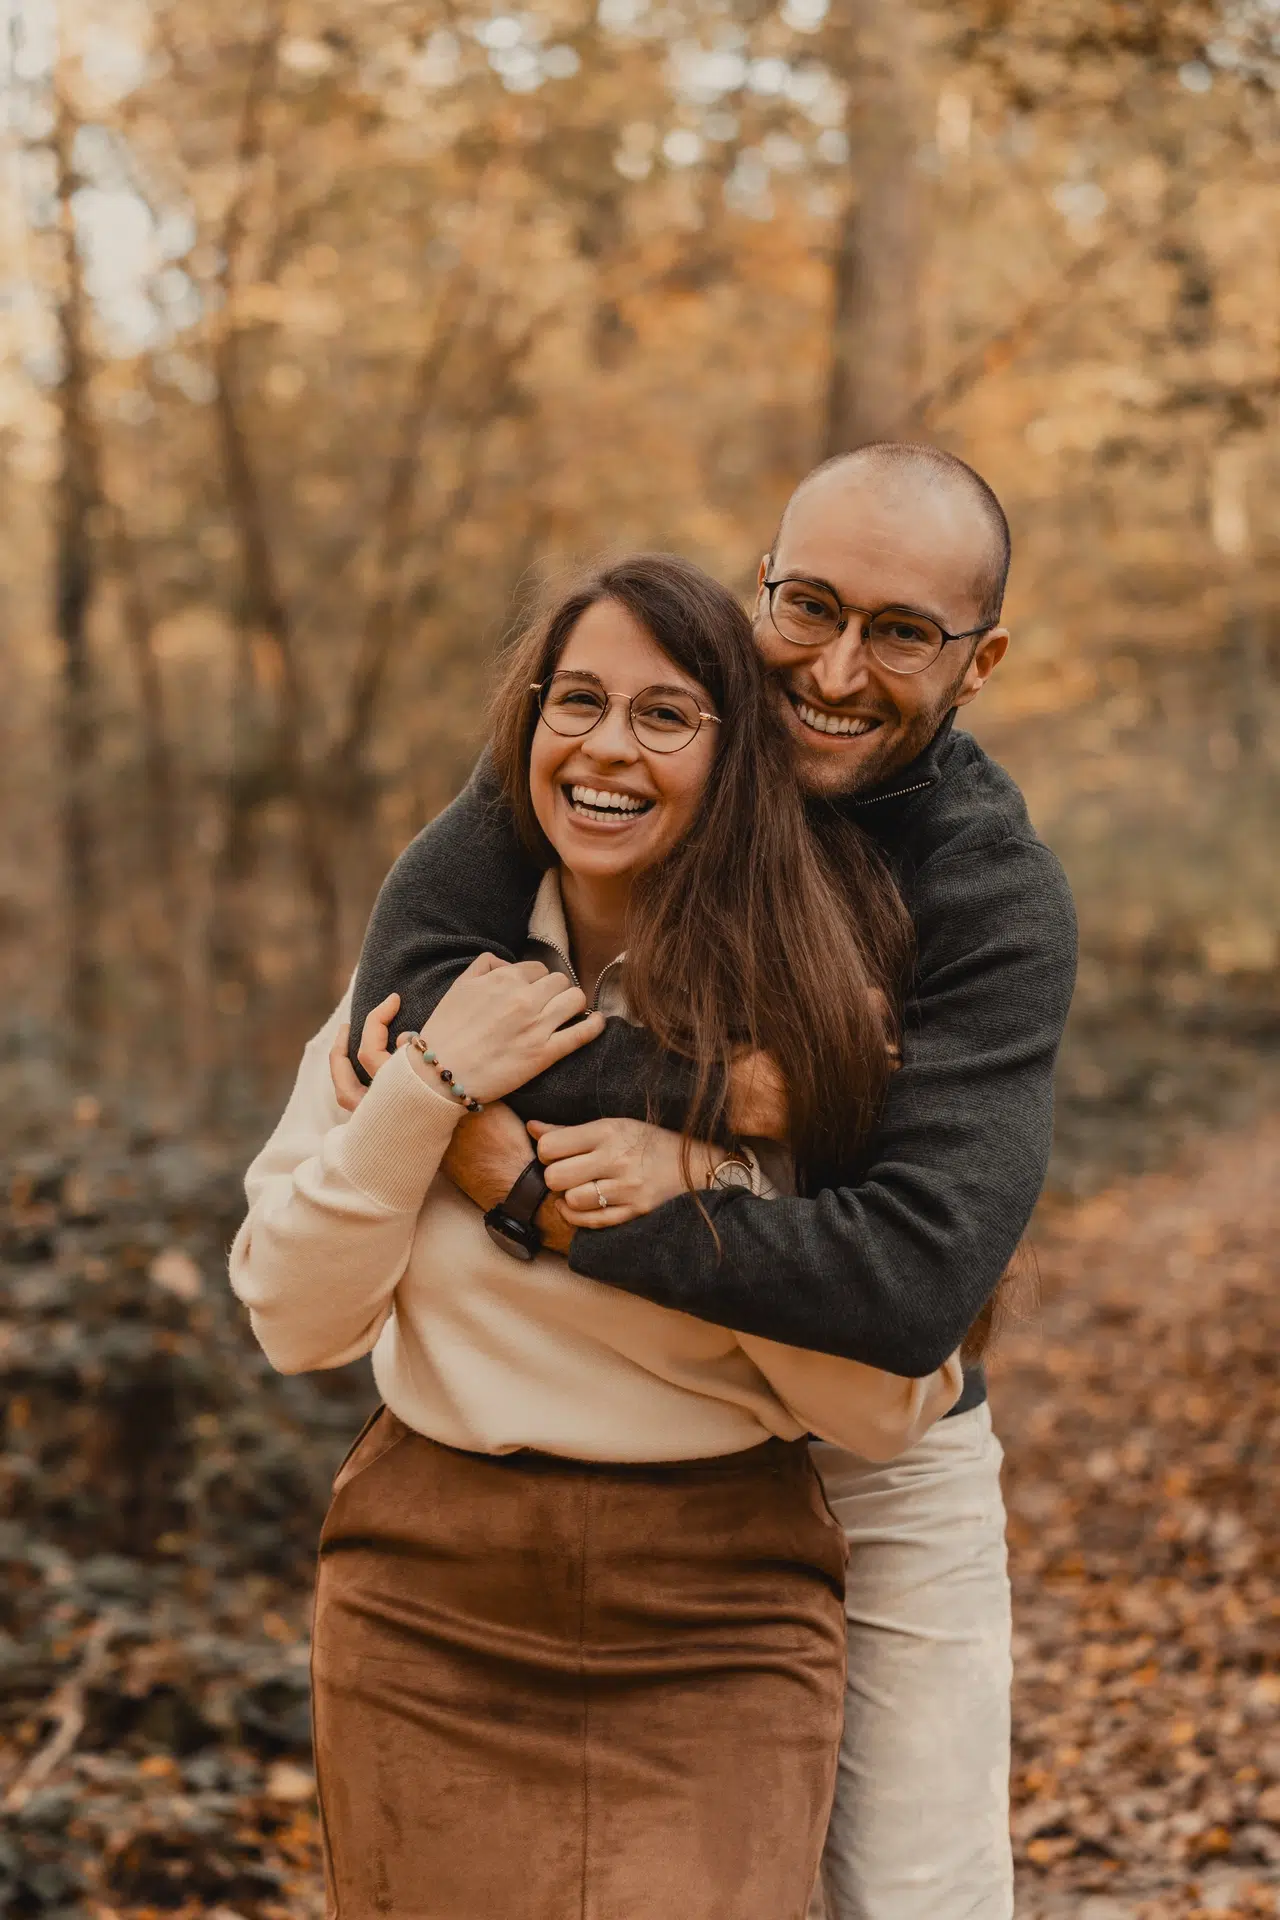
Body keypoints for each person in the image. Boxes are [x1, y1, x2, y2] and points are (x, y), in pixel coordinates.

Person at [343, 443, 1079, 1920]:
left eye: (902, 632)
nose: (836, 666)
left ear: (980, 660)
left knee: (916, 1900)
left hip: (880, 1452)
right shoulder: (648, 744)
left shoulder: (991, 894)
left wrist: (554, 1199)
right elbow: (420, 1001)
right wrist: (718, 1092)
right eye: (807, 605)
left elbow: (913, 1279)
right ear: (762, 585)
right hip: (650, 1434)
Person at [231, 553, 965, 1920]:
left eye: (666, 713)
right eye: (576, 700)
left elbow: (880, 1406)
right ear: (525, 731)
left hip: (720, 1618)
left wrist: (703, 1193)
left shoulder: (811, 1034)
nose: (608, 746)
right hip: (427, 1602)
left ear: (738, 757)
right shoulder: (415, 991)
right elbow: (292, 1319)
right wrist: (426, 1099)